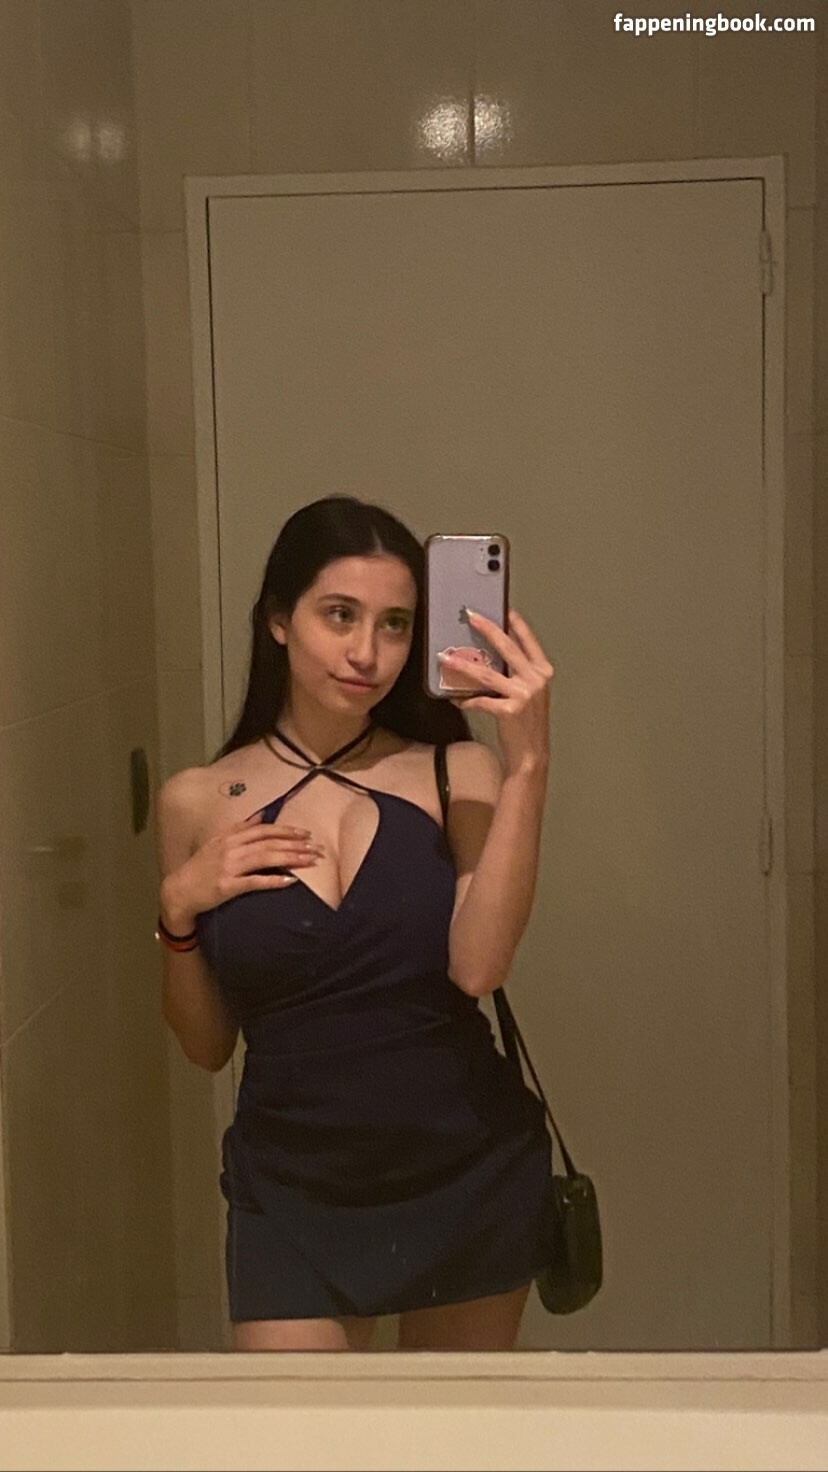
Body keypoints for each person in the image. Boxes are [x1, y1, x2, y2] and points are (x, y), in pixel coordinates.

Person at [155, 494, 556, 1352]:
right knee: (296, 1427)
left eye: (395, 624)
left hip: (468, 1172)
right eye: (339, 615)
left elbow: (479, 967)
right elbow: (206, 1046)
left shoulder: (458, 771)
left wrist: (529, 766)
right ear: (278, 620)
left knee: (455, 1428)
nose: (367, 653)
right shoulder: (196, 801)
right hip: (289, 1188)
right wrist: (177, 910)